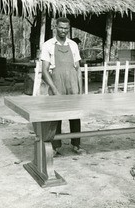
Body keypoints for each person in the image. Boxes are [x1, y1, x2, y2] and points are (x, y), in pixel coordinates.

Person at [40, 17, 85, 154]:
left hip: (72, 83)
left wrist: (80, 91)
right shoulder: (47, 45)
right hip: (57, 82)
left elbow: (77, 69)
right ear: (55, 27)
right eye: (61, 27)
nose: (63, 31)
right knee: (56, 116)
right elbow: (44, 71)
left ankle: (76, 144)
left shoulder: (73, 45)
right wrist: (54, 89)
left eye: (66, 28)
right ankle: (55, 147)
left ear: (69, 29)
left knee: (75, 115)